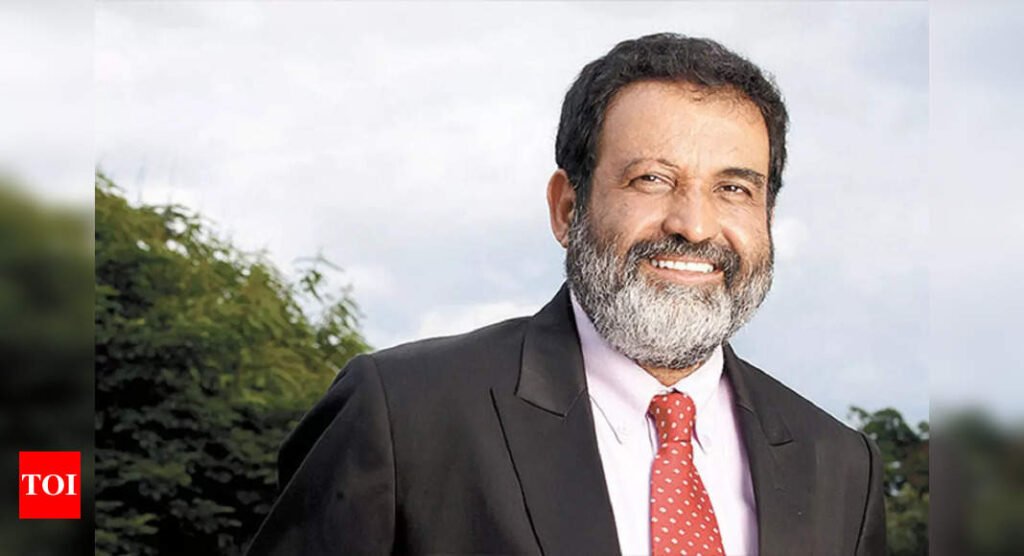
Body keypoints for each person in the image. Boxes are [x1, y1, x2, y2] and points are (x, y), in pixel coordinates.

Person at [247, 33, 886, 556]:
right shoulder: (403, 414)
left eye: (734, 189)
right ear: (567, 207)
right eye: (652, 179)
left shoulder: (842, 466)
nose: (694, 226)